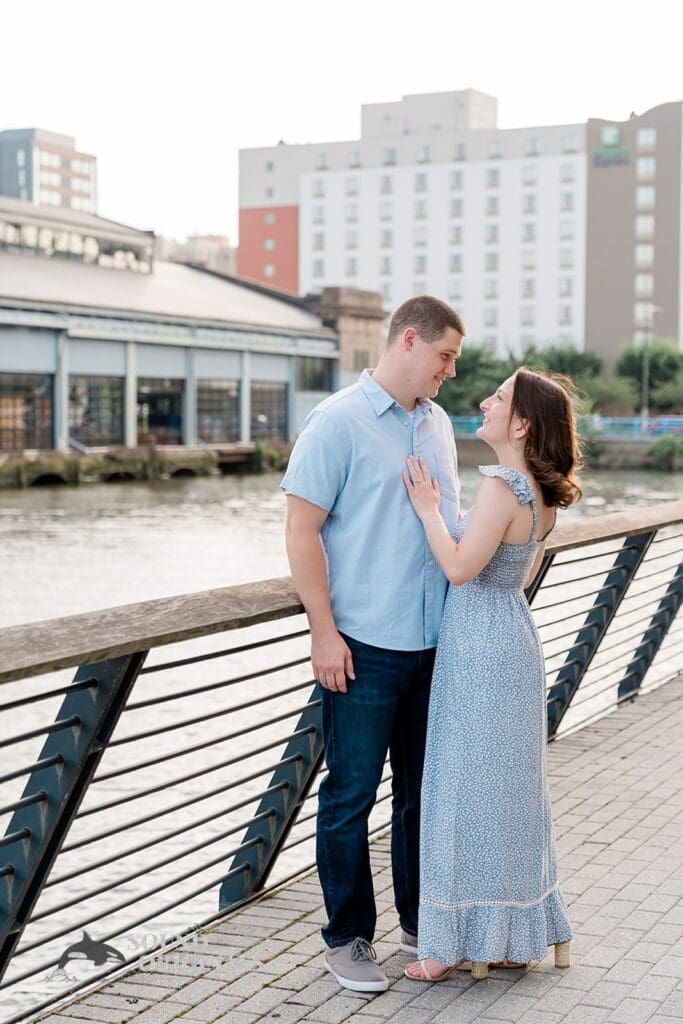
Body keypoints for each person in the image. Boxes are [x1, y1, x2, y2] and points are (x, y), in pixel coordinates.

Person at [281, 296, 465, 993]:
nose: (450, 370)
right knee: (349, 796)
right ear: (410, 341)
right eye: (445, 355)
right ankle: (348, 939)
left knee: (420, 795)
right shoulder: (337, 422)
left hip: (433, 645)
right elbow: (301, 531)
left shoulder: (439, 424)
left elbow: (444, 524)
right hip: (362, 646)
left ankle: (419, 926)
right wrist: (322, 633)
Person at [402, 367, 581, 983]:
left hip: (478, 645)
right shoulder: (540, 492)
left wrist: (428, 509)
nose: (484, 401)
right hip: (512, 635)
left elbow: (458, 567)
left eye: (499, 398)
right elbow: (517, 576)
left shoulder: (503, 485)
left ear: (522, 423)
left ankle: (449, 946)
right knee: (508, 794)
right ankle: (507, 935)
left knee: (461, 789)